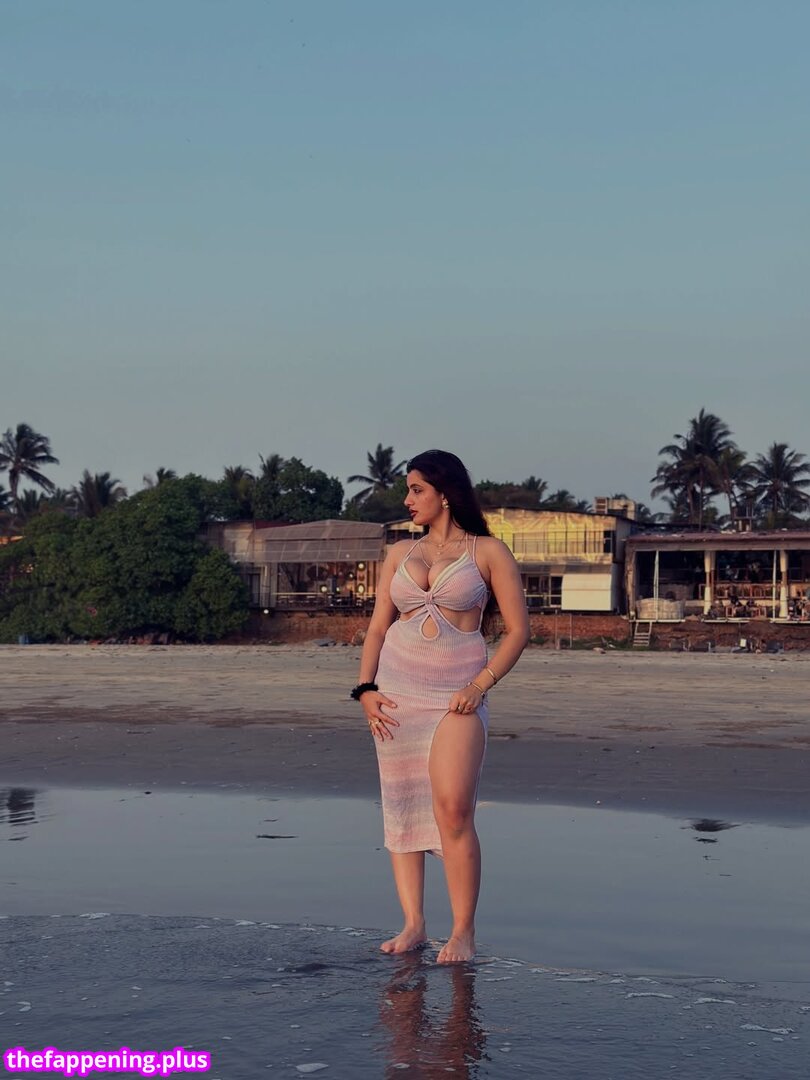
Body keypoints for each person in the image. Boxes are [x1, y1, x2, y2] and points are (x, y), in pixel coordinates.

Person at [352, 449, 529, 963]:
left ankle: (463, 932)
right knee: (402, 804)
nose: (408, 500)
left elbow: (519, 631)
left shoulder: (488, 552)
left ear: (445, 493)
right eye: (407, 490)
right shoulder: (398, 554)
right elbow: (378, 628)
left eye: (417, 490)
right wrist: (365, 690)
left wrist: (480, 684)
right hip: (396, 694)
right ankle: (413, 924)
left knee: (453, 808)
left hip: (458, 697)